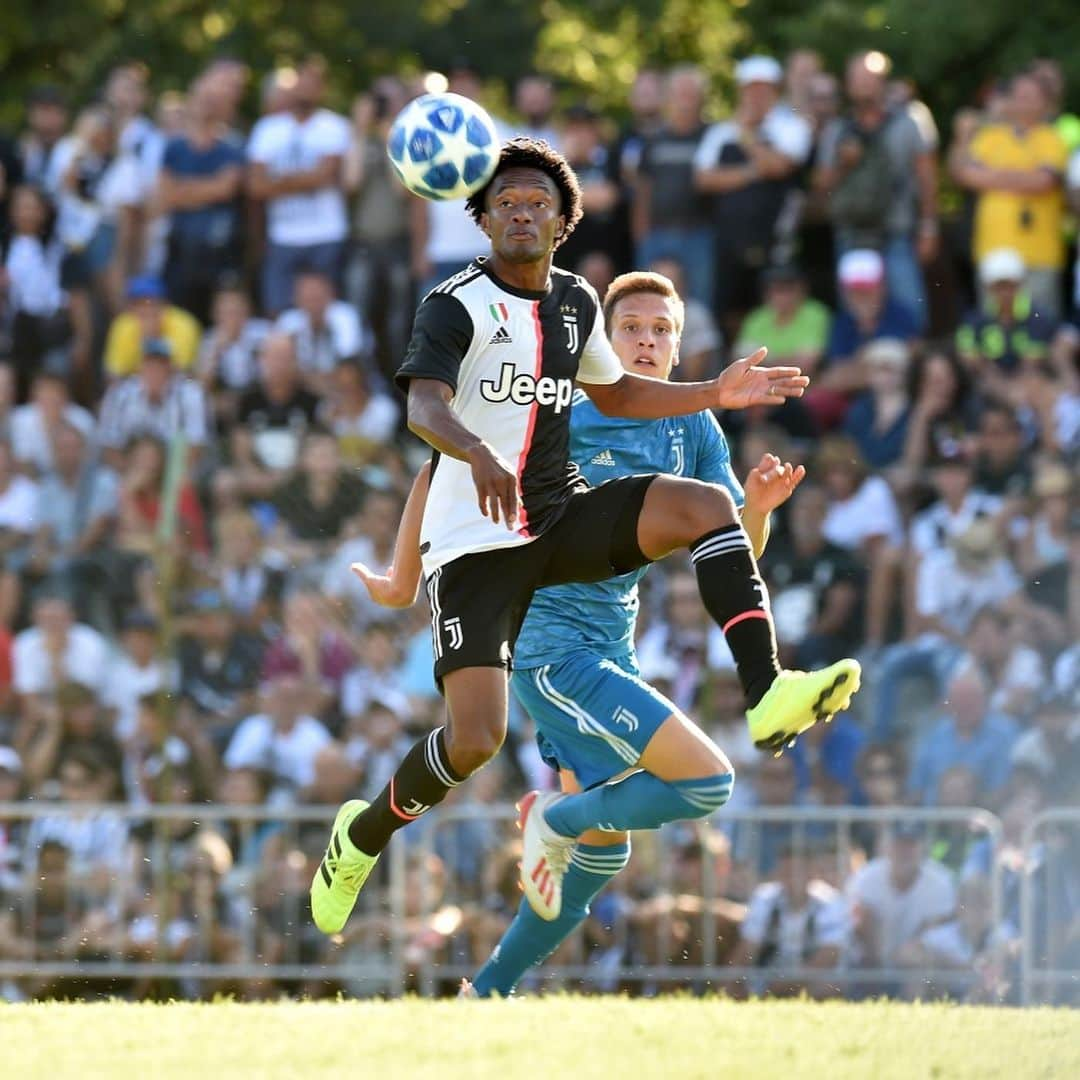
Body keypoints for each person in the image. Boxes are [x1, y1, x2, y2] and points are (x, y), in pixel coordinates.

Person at [347, 268, 819, 996]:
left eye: (662, 331)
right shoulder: (563, 402)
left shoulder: (692, 425)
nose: (647, 340)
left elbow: (732, 555)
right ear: (602, 338)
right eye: (630, 327)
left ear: (678, 344)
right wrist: (402, 575)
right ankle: (554, 817)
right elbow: (440, 467)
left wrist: (755, 508)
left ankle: (487, 992)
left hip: (610, 646)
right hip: (547, 647)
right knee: (705, 784)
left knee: (605, 855)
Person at [814, 50, 939, 326]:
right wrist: (844, 164)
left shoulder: (909, 122)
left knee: (909, 311)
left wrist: (929, 226)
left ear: (883, 81)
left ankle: (911, 365)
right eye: (857, 78)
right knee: (855, 315)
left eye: (869, 78)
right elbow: (821, 185)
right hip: (852, 234)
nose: (863, 85)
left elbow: (927, 178)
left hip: (897, 231)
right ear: (847, 84)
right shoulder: (837, 129)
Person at [693, 56, 812, 328]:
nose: (756, 96)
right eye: (750, 89)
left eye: (763, 89)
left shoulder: (791, 127)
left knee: (773, 306)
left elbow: (780, 166)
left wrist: (746, 137)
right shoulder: (720, 131)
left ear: (775, 91)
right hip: (729, 240)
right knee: (731, 310)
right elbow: (703, 179)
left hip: (776, 240)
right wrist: (753, 171)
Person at [951, 71, 1068, 318]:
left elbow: (1044, 182)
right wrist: (962, 137)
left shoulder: (1054, 139)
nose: (1023, 102)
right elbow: (963, 175)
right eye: (1018, 96)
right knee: (993, 329)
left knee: (1040, 329)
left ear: (1045, 102)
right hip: (993, 251)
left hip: (1039, 255)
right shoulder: (989, 138)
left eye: (1030, 96)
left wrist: (991, 177)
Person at [247, 55, 351, 315]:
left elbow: (326, 176)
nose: (306, 88)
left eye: (313, 82)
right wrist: (307, 178)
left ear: (322, 89)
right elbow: (256, 186)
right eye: (301, 81)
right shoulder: (268, 129)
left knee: (327, 310)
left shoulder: (335, 126)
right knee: (278, 310)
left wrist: (279, 180)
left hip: (326, 234)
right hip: (283, 237)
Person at [156, 72, 246, 323]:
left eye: (214, 99)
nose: (208, 105)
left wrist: (183, 190)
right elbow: (166, 195)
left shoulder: (232, 146)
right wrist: (210, 188)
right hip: (180, 253)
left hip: (221, 253)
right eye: (204, 98)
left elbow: (226, 189)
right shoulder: (173, 147)